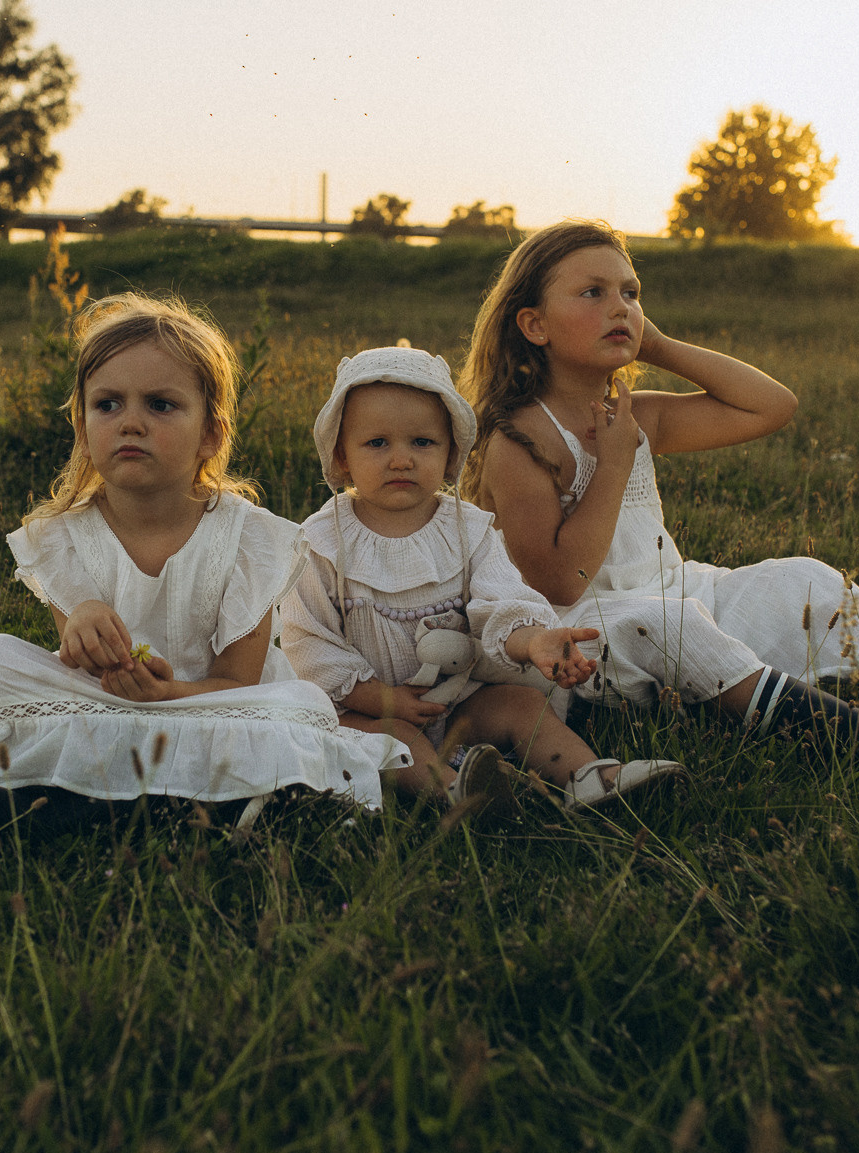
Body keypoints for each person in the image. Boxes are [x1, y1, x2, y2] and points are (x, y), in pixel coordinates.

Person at [461, 221, 859, 777]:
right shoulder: (517, 439)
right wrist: (614, 464)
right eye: (592, 293)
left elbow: (770, 406)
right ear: (534, 325)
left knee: (802, 580)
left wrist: (661, 348)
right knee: (672, 623)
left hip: (679, 589)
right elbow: (563, 582)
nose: (620, 306)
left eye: (631, 292)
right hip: (583, 635)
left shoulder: (635, 414)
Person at [0, 294, 408, 830]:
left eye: (160, 405)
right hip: (105, 699)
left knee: (301, 706)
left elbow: (239, 683)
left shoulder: (248, 538)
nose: (131, 423)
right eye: (108, 405)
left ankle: (68, 800)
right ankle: (204, 803)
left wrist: (171, 694)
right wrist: (81, 627)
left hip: (208, 706)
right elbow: (85, 672)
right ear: (82, 427)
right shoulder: (63, 535)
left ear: (211, 433)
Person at [280, 344, 688, 811]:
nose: (401, 460)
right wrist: (379, 699)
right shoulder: (322, 541)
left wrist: (533, 640)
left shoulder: (468, 529)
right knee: (388, 737)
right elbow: (305, 641)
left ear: (452, 450)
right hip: (368, 706)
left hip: (460, 699)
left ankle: (589, 776)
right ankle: (453, 789)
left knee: (521, 705)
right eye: (377, 443)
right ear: (341, 455)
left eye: (422, 442)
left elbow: (502, 600)